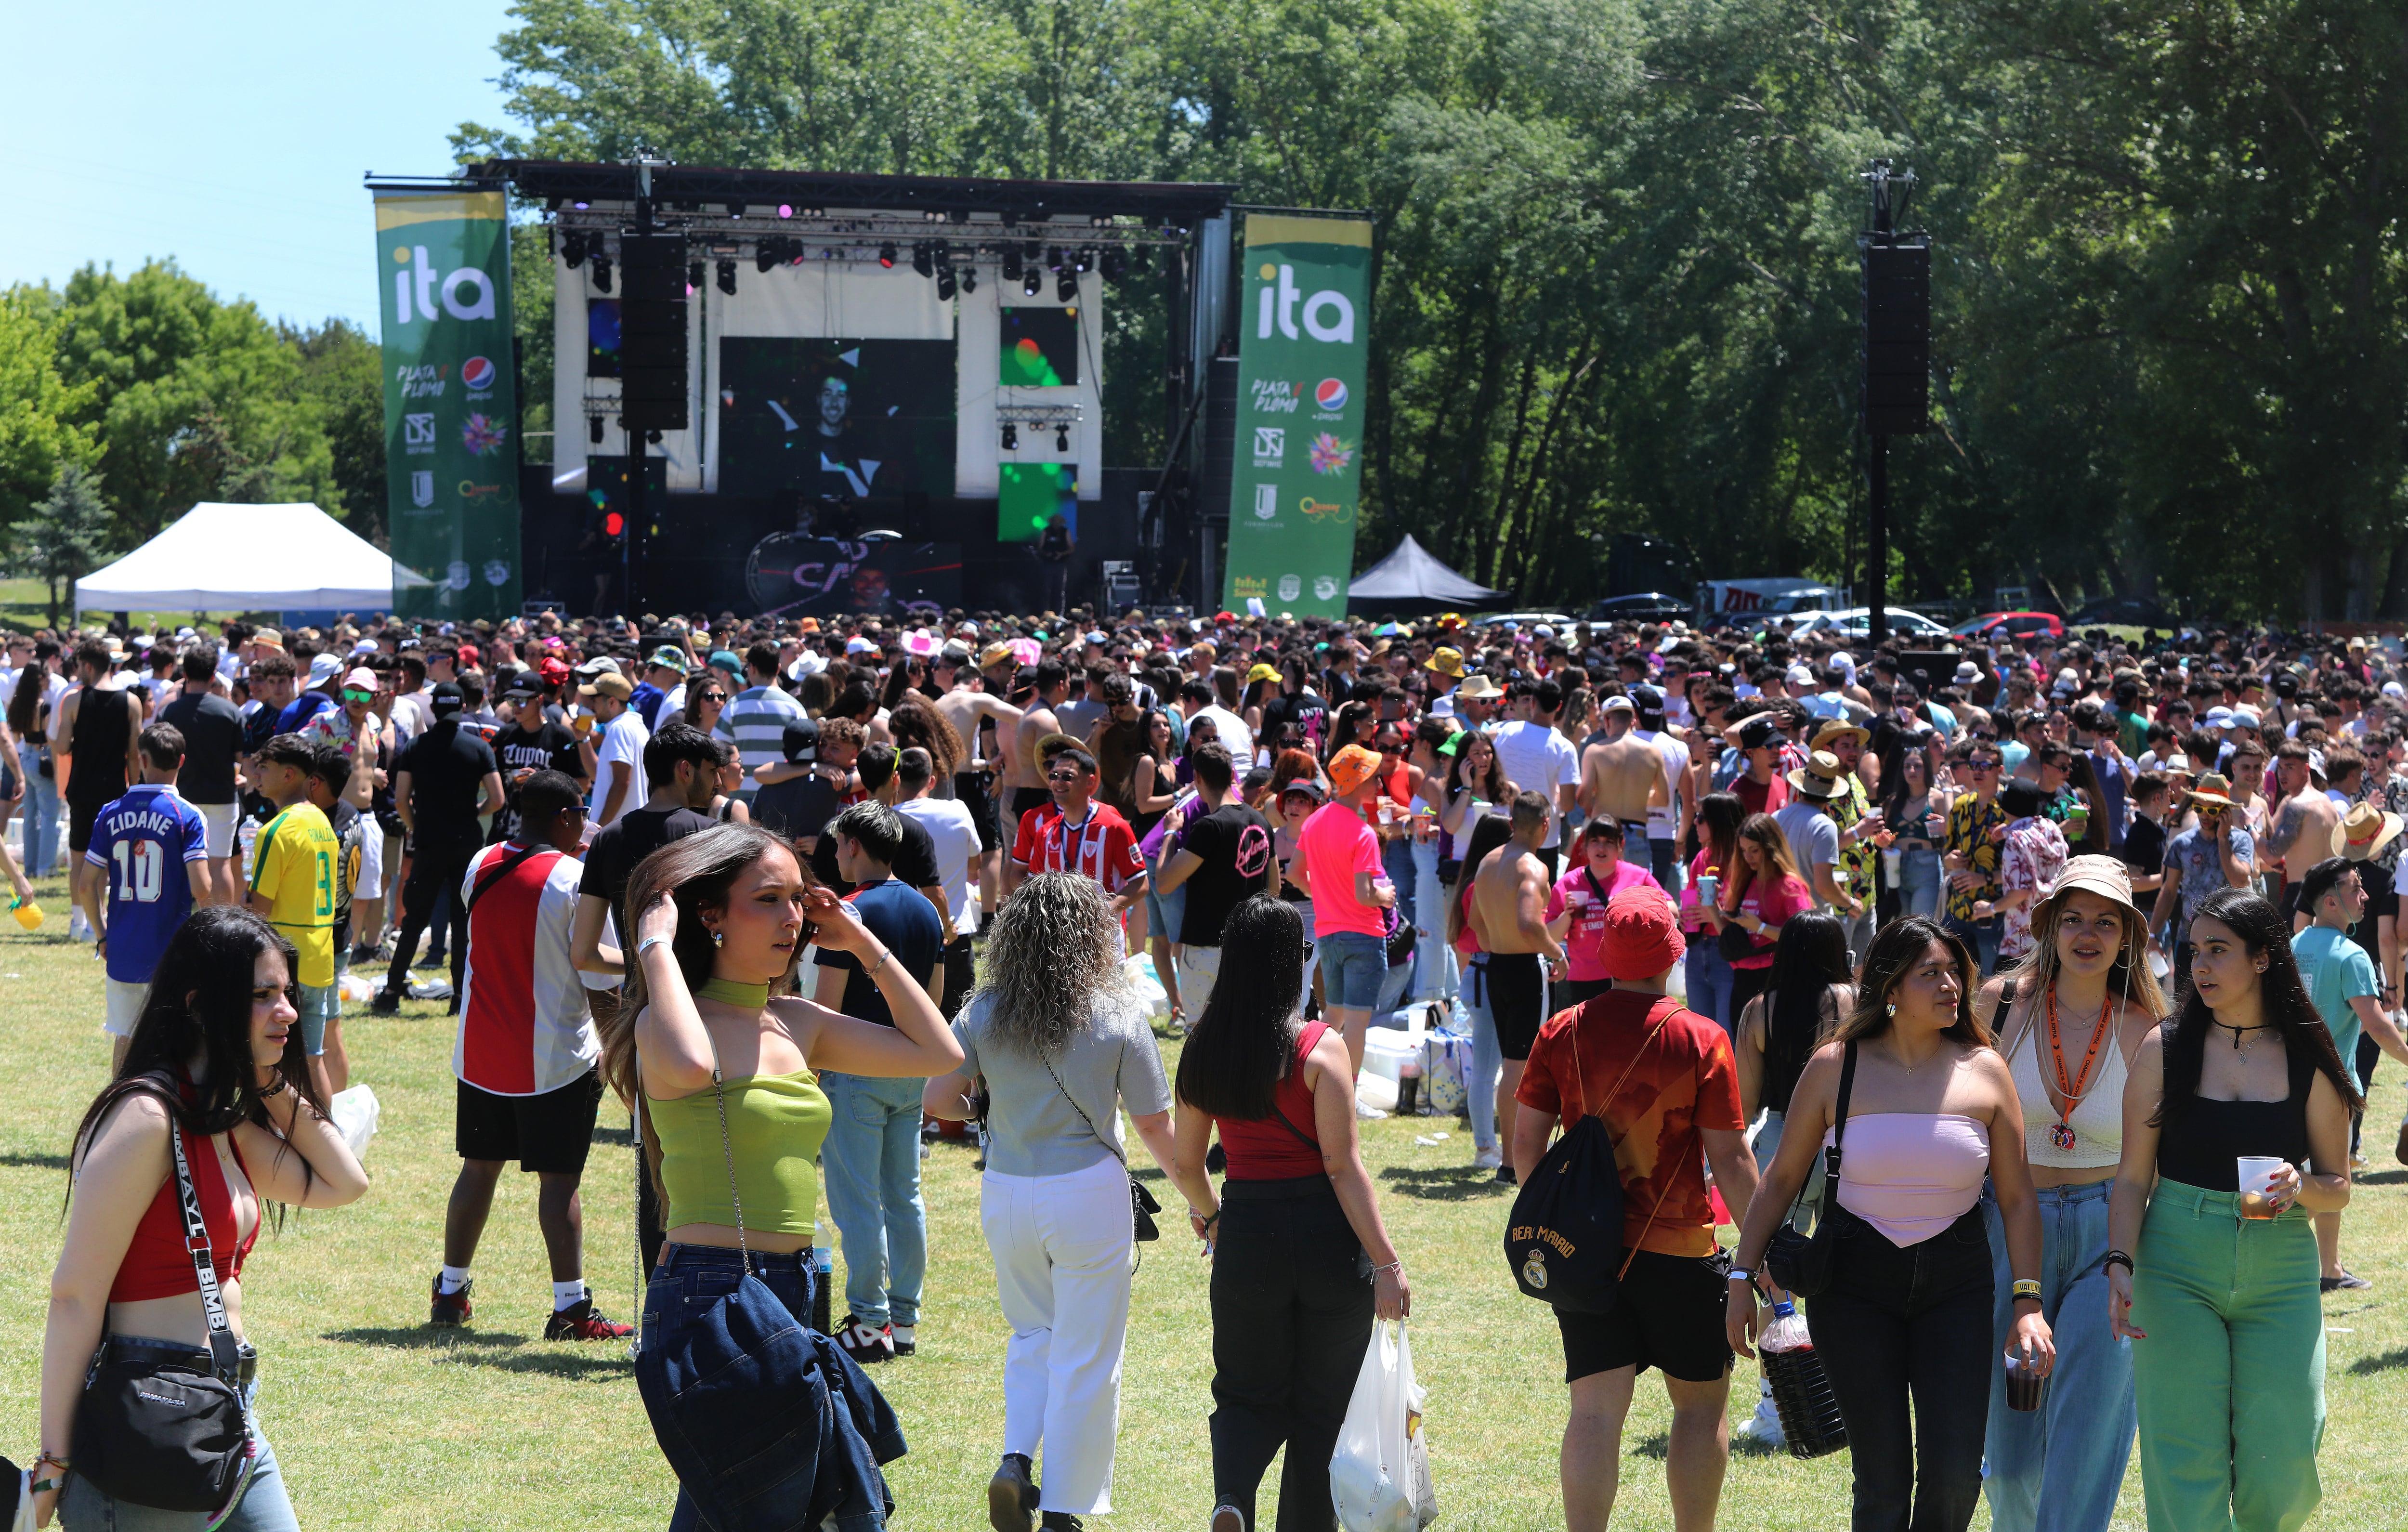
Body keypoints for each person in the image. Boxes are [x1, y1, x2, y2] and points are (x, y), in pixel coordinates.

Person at [606, 822, 961, 1531]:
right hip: (709, 1288)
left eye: (798, 899)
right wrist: (654, 945)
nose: (792, 917)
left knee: (773, 1505)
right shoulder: (666, 1022)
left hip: (793, 1287)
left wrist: (861, 942)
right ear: (709, 916)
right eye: (767, 899)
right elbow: (690, 1066)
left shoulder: (796, 1021)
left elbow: (937, 1051)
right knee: (757, 1505)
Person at [35, 905, 371, 1530]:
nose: (288, 1012)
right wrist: (53, 1462)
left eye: (288, 995)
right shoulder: (147, 1119)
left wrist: (268, 1080)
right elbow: (75, 1297)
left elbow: (343, 1181)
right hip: (148, 1422)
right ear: (198, 1004)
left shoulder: (220, 1119)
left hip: (230, 1414)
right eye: (263, 996)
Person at [1727, 917, 2055, 1532]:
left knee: (1956, 1474)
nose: (1949, 984)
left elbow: (2015, 1199)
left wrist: (2027, 1302)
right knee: (1881, 1481)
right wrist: (1742, 1276)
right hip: (1853, 1287)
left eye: (1954, 971)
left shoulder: (1984, 1068)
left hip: (1957, 1286)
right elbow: (1777, 1180)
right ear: (1889, 987)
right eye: (1929, 972)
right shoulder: (1834, 1066)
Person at [922, 873, 1178, 1532]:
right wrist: (1202, 1200)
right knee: (1088, 1355)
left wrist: (984, 1106)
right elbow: (1154, 1125)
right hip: (1087, 1190)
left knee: (1033, 1335)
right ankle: (1064, 1507)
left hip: (1007, 1191)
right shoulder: (1118, 1013)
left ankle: (1015, 1458)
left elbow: (935, 1098)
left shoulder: (982, 1009)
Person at [2107, 887, 2357, 1532]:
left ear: (2265, 958)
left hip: (2280, 1268)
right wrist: (2119, 1262)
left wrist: (2300, 1187)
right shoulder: (2164, 1049)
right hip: (2175, 1263)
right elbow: (2133, 1178)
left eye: (2219, 951)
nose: (2201, 968)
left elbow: (2339, 1183)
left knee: (2287, 1452)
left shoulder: (2308, 1054)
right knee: (2184, 1457)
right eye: (2195, 953)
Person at [1515, 890, 1761, 1532]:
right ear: (1674, 953)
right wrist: (1764, 1251)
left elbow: (1525, 1145)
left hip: (1586, 1255)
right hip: (1681, 1251)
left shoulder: (1561, 1029)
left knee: (1594, 1412)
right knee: (1700, 1409)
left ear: (1605, 952)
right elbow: (1732, 1161)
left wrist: (1557, 1215)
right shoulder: (1701, 1037)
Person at [1164, 895, 1409, 1532]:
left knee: (1243, 1391)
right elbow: (1342, 1167)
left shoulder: (1202, 1051)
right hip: (1329, 1241)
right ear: (1291, 966)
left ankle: (1232, 1500)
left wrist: (1214, 1217)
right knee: (1323, 1408)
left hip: (1248, 1231)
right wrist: (1387, 1261)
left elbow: (1186, 1163)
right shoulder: (1321, 1051)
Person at [1970, 855, 2169, 1532]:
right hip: (2007, 1227)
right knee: (2014, 1456)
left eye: (2107, 922)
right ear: (2048, 924)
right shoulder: (1998, 1005)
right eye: (2075, 918)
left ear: (2127, 937)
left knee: (2086, 1437)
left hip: (2107, 1231)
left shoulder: (2148, 1028)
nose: (2089, 934)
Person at [431, 769, 632, 1341]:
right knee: (560, 1181)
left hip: (481, 1052)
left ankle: (450, 1291)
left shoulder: (481, 861)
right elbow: (598, 974)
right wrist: (622, 1037)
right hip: (555, 1057)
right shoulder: (574, 877)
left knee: (477, 1169)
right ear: (566, 816)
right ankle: (570, 1307)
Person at [814, 799, 947, 1363]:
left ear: (853, 845)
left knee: (857, 1202)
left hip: (855, 1069)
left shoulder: (847, 912)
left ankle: (869, 1321)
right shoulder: (926, 909)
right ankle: (904, 1319)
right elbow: (932, 1002)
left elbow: (825, 1007)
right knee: (904, 1195)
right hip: (910, 1069)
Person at [2287, 856, 2408, 1291]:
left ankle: (2296, 1262)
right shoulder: (2352, 955)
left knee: (2295, 1170)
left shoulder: (2294, 943)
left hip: (2286, 1083)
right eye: (2356, 887)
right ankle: (2329, 1268)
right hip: (2333, 1088)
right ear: (2330, 901)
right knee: (2334, 1179)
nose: (2365, 895)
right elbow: (2377, 1024)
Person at [84, 722, 210, 1072]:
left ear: (141, 758)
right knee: (183, 1037)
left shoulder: (111, 812)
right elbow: (202, 887)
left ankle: (118, 1109)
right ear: (182, 761)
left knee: (125, 1037)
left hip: (123, 946)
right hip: (173, 950)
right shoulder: (187, 815)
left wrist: (102, 935)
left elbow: (85, 884)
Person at [373, 683, 505, 1015]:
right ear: (462, 707)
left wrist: (417, 825)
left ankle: (390, 993)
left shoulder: (416, 747)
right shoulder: (478, 747)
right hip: (467, 842)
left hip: (429, 841)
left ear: (433, 707)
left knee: (415, 919)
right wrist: (475, 812)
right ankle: (461, 998)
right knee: (463, 925)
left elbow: (401, 799)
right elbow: (498, 798)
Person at [1468, 790, 1570, 1177]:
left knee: (1513, 1062)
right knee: (1520, 1065)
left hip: (1495, 965)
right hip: (1526, 968)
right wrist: (1557, 953)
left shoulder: (1487, 862)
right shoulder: (1533, 867)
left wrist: (1500, 939)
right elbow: (1529, 923)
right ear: (1545, 826)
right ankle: (1514, 1162)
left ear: (1512, 823)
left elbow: (1476, 926)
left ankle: (1511, 1160)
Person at [245, 734, 345, 1100]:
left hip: (284, 967)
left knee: (274, 1062)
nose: (257, 773)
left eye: (265, 767)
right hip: (318, 959)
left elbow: (258, 913)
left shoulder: (277, 830)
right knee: (312, 1058)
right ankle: (327, 1144)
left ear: (289, 775)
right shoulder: (321, 821)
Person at [1299, 745, 1400, 1088]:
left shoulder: (1314, 822)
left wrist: (1325, 895)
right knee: (1356, 1021)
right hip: (1363, 934)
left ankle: (1310, 1080)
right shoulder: (1363, 832)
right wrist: (1385, 897)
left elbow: (1296, 873)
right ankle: (1348, 1092)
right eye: (1373, 777)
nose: (1379, 784)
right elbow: (1365, 894)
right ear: (1359, 782)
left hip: (1328, 932)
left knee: (1334, 1014)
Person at [1152, 742, 1278, 1008]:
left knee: (1202, 1040)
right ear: (1233, 775)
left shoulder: (1210, 827)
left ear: (1197, 778)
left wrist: (1170, 832)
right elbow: (1275, 890)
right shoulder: (1262, 821)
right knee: (1244, 1034)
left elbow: (1164, 883)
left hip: (1206, 948)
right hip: (1251, 944)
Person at [55, 637, 145, 945]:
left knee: (80, 855)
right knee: (109, 858)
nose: (77, 672)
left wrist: (48, 736)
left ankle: (78, 922)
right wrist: (136, 789)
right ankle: (102, 917)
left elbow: (62, 746)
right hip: (116, 792)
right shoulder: (131, 702)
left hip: (81, 788)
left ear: (89, 666)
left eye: (79, 666)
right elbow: (136, 754)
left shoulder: (73, 700)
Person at [894, 746, 984, 1016]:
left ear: (896, 779)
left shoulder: (886, 820)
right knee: (959, 1018)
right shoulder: (957, 810)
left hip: (903, 932)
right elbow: (975, 865)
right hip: (955, 929)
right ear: (932, 781)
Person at [2146, 772, 2256, 990]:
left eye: (2212, 810)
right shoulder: (2182, 843)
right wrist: (2152, 934)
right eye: (2199, 808)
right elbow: (2169, 892)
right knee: (2185, 1008)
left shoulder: (2241, 841)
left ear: (2225, 812)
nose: (2205, 816)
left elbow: (2239, 878)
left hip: (2228, 940)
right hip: (2189, 940)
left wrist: (2223, 839)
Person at [1698, 812, 1811, 1022]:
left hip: (1774, 978)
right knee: (1743, 1051)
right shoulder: (1746, 881)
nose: (1748, 857)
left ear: (1771, 848)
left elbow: (1803, 937)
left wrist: (1760, 927)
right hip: (1742, 981)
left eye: (1754, 850)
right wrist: (1713, 908)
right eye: (1743, 851)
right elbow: (1735, 940)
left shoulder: (1789, 885)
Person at [1544, 818, 1668, 1008]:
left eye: (1609, 842)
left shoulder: (1638, 876)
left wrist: (1639, 907)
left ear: (1621, 845)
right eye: (1595, 841)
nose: (1601, 848)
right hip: (1585, 977)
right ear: (1585, 846)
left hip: (1629, 977)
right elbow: (1551, 936)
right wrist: (1567, 915)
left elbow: (1671, 907)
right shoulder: (1569, 883)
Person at [159, 647, 245, 906]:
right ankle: (222, 927)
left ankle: (180, 921)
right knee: (220, 863)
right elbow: (243, 759)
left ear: (185, 674)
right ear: (214, 675)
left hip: (181, 798)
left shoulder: (171, 712)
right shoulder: (231, 712)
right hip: (222, 796)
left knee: (176, 864)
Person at [1938, 733, 2012, 975]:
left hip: (1993, 909)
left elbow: (2021, 868)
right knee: (1954, 976)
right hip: (1958, 906)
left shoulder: (2009, 811)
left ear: (1999, 770)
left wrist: (1986, 879)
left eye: (1985, 766)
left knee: (1992, 979)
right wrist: (1948, 860)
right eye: (1973, 765)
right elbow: (1948, 851)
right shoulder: (1961, 806)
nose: (1977, 771)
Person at [1491, 678, 1580, 875]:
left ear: (1532, 703)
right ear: (1559, 706)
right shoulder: (1565, 747)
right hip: (1543, 837)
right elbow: (1568, 804)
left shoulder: (1505, 733)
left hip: (1502, 826)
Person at [1678, 791, 1746, 1031]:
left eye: (1702, 818)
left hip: (1729, 956)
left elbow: (1752, 911)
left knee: (1728, 1035)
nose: (1695, 822)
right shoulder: (1702, 857)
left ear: (1720, 822)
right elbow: (1690, 904)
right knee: (1699, 1035)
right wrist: (1685, 917)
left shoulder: (1745, 862)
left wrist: (1715, 914)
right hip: (1698, 951)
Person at [717, 641, 811, 794]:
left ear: (752, 669)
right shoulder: (795, 708)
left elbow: (718, 750)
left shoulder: (733, 706)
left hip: (740, 798)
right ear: (778, 669)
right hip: (782, 796)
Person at [581, 671, 650, 828]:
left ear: (612, 703)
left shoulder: (620, 728)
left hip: (618, 834)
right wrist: (582, 738)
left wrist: (600, 829)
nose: (591, 706)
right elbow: (598, 775)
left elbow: (621, 782)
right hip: (628, 830)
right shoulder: (634, 725)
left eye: (595, 701)